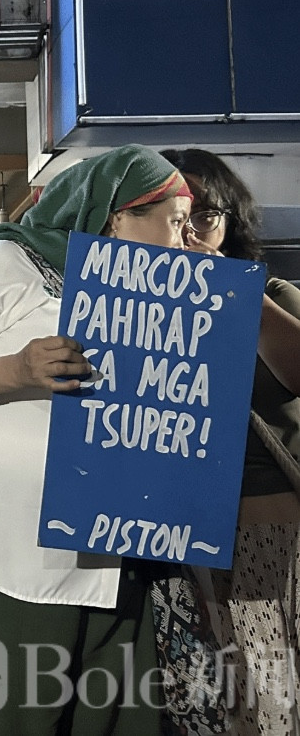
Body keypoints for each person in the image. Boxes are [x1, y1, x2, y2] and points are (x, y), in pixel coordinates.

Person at [0, 144, 193, 735]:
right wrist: (15, 371)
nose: (185, 242)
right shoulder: (10, 261)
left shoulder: (162, 301)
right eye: (176, 223)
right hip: (8, 548)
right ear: (117, 217)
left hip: (117, 553)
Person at [162, 147, 300, 735]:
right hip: (174, 529)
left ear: (229, 223)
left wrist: (238, 292)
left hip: (265, 519)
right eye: (175, 215)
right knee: (209, 691)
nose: (190, 231)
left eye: (206, 215)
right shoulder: (136, 315)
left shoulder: (270, 292)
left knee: (273, 690)